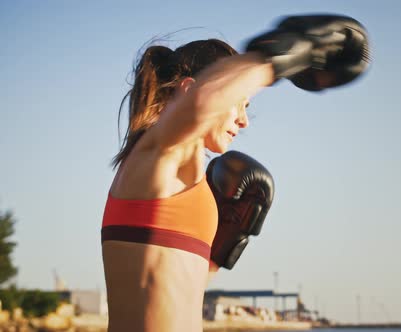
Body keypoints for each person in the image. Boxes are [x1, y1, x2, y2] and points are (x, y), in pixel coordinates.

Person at [101, 14, 370, 332]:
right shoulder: (155, 158)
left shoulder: (178, 177)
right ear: (187, 90)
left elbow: (175, 289)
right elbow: (203, 103)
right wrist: (293, 51)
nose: (244, 121)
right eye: (239, 104)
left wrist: (220, 251)